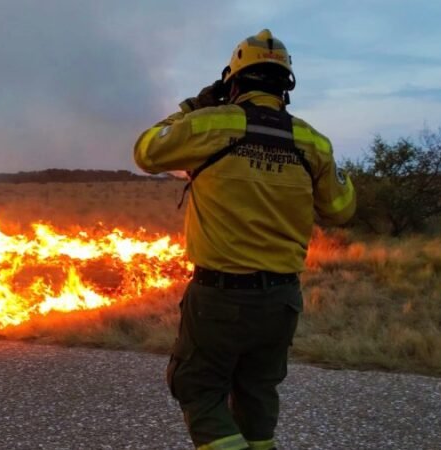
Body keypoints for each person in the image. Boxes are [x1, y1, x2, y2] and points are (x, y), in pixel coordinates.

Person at [133, 29, 356, 450]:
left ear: (232, 83)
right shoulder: (313, 141)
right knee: (257, 392)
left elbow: (147, 150)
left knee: (197, 387)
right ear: (286, 86)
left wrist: (192, 107)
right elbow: (341, 210)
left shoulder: (212, 123)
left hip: (220, 297)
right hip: (282, 299)